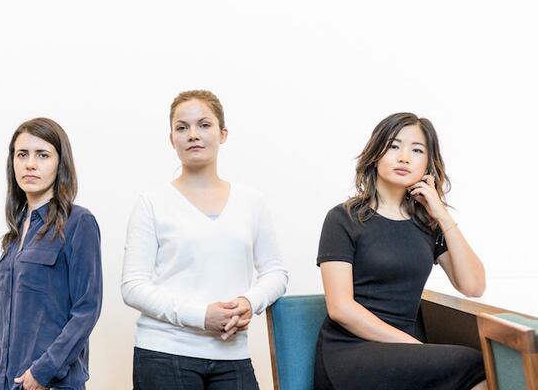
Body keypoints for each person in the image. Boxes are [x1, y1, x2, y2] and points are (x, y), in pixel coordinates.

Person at [121, 90, 288, 390]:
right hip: (164, 353)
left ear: (223, 133)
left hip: (231, 353)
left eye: (204, 125)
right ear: (172, 139)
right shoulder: (151, 203)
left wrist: (249, 302)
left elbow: (276, 273)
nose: (193, 135)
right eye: (182, 127)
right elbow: (133, 286)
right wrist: (201, 316)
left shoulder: (252, 202)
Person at [314, 112, 487, 389]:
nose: (404, 157)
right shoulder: (343, 218)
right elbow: (341, 309)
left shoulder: (428, 224)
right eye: (394, 146)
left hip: (402, 354)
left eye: (417, 150)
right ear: (376, 154)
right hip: (348, 352)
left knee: (480, 367)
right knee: (473, 363)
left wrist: (441, 213)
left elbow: (474, 286)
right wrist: (414, 346)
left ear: (428, 164)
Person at [0, 118, 102, 390]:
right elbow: (14, 308)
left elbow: (87, 309)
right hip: (6, 381)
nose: (30, 164)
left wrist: (44, 371)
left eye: (43, 155)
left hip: (52, 384)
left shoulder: (79, 223)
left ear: (60, 163)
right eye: (22, 154)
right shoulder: (14, 235)